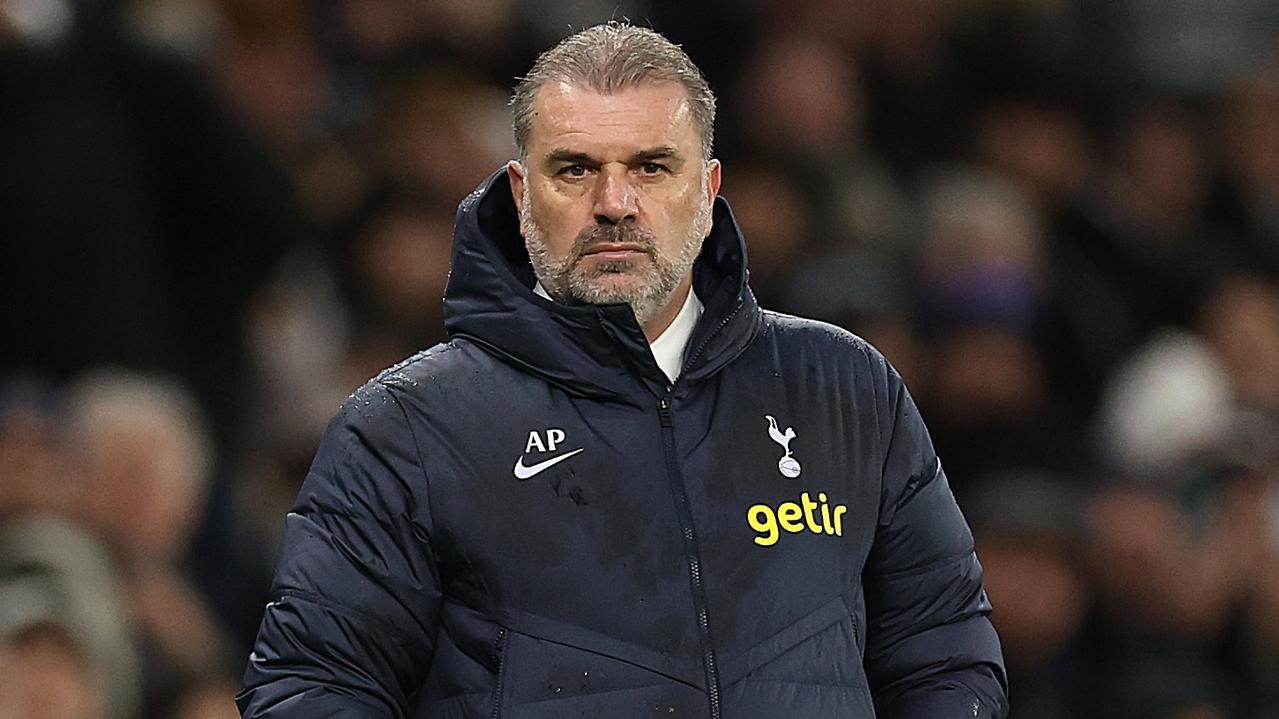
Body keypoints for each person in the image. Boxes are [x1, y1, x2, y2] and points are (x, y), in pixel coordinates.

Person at [238, 22, 1008, 718]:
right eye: (574, 169)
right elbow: (313, 687)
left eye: (650, 168)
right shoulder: (406, 426)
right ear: (520, 193)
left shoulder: (844, 387)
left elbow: (943, 654)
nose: (613, 203)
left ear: (705, 191)